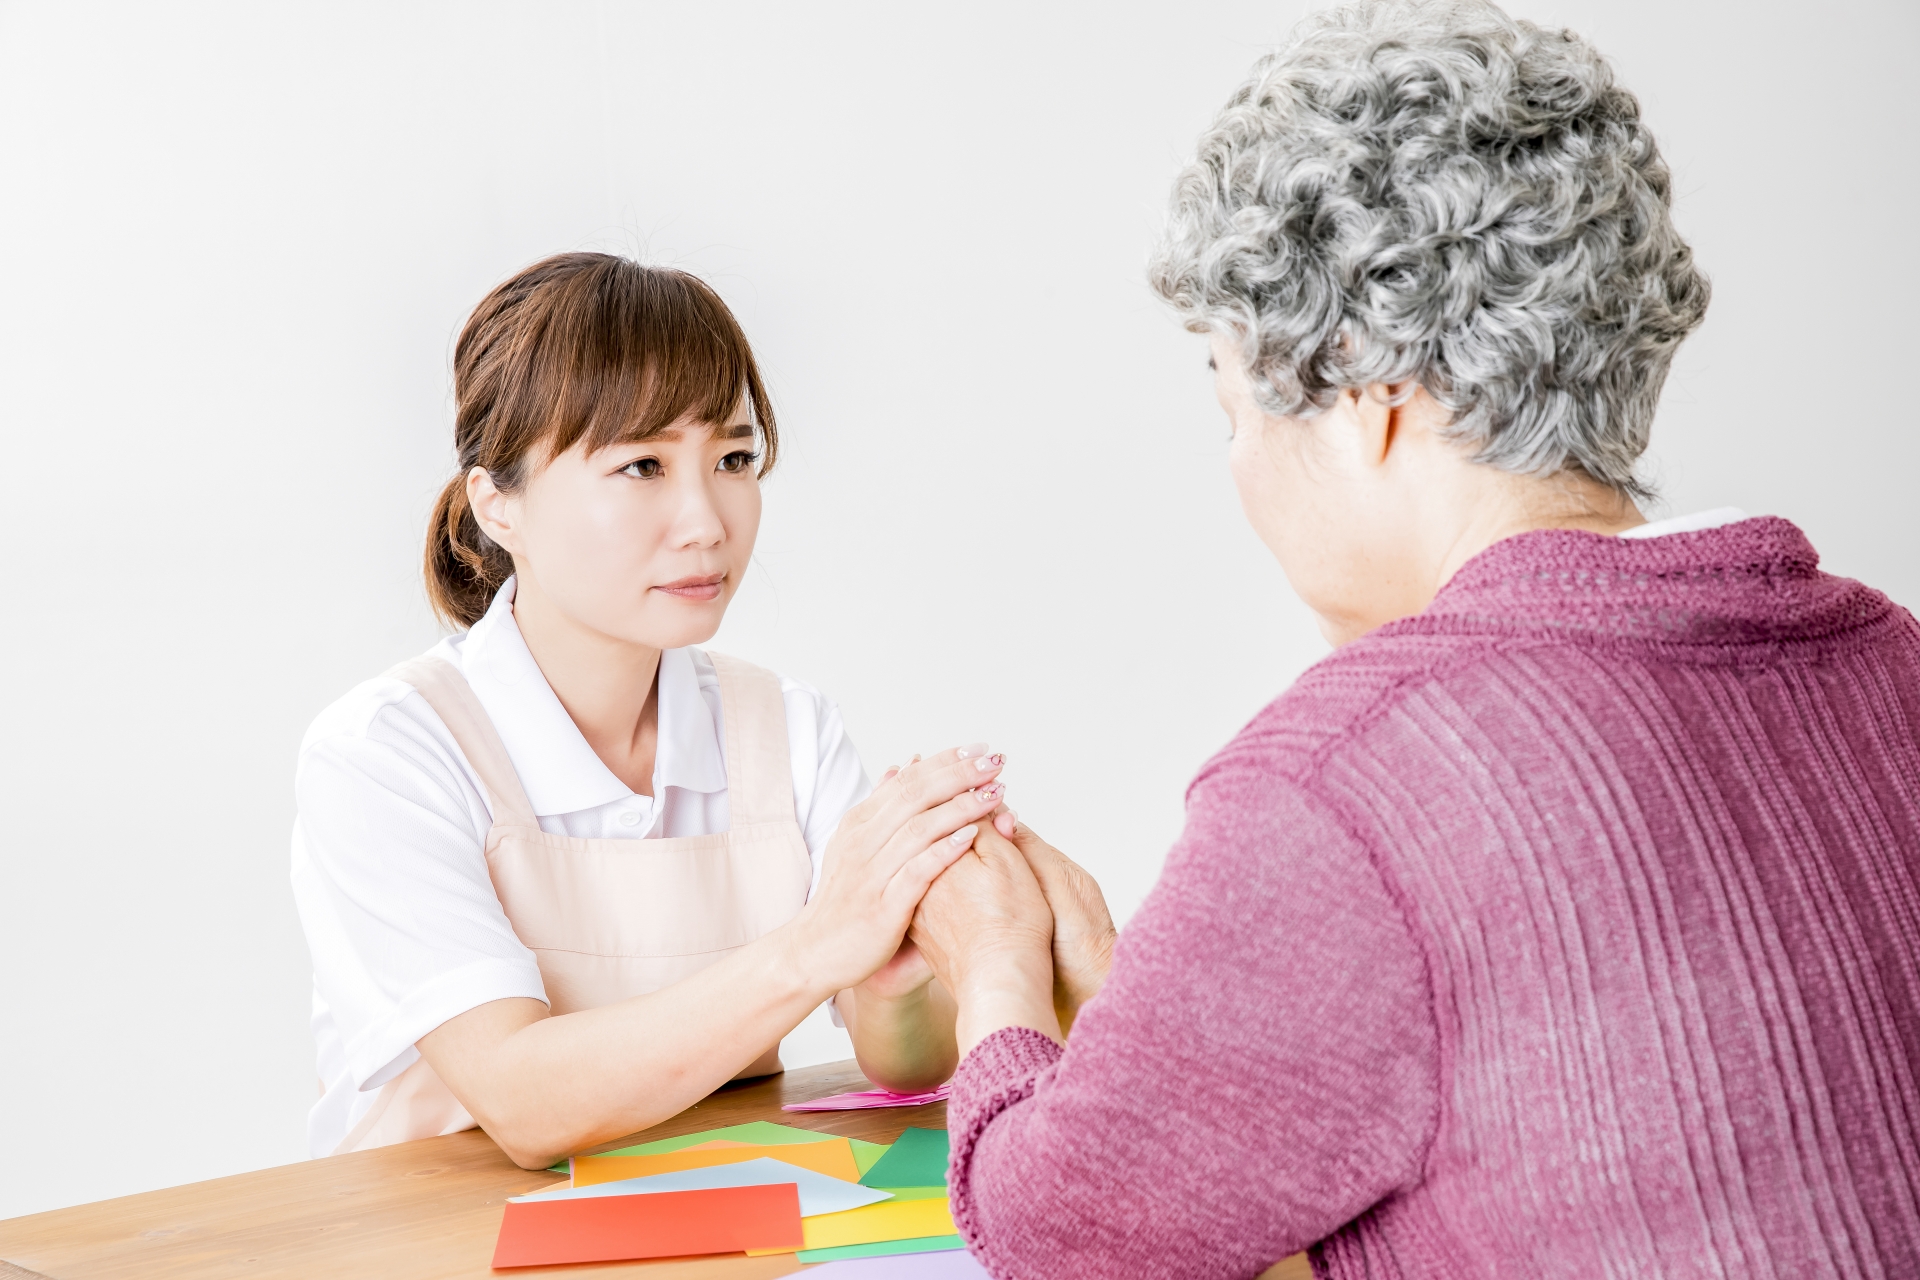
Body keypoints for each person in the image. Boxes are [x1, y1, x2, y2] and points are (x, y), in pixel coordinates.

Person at [908, 2, 1920, 1277]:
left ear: (1367, 391)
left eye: (1233, 409)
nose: (1238, 469)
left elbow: (1065, 1234)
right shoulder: (1894, 659)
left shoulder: (1347, 777)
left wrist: (991, 969)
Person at [291, 253, 1012, 1167]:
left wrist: (899, 977)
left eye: (734, 459)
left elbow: (902, 1061)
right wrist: (819, 943)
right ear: (498, 503)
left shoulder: (784, 727)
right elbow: (520, 1102)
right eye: (641, 465)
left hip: (717, 1230)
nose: (706, 520)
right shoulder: (386, 752)